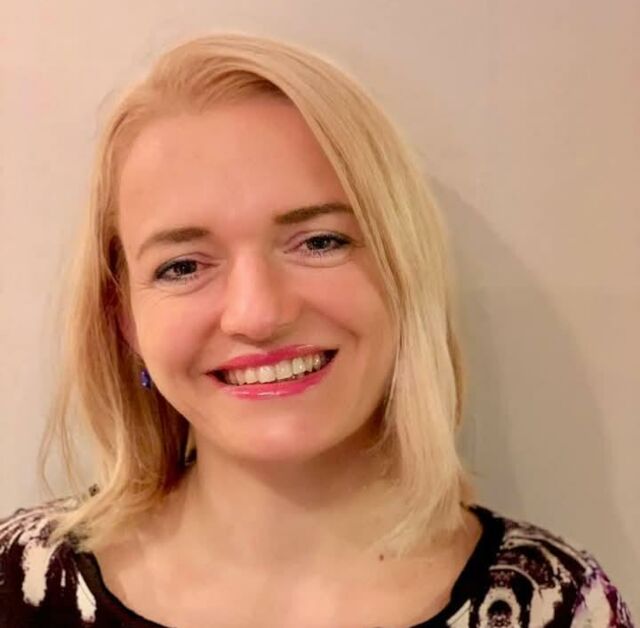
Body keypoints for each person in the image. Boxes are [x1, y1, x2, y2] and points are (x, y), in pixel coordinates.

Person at [0, 34, 633, 628]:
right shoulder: (17, 585)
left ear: (404, 269)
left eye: (320, 241)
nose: (257, 314)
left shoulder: (558, 607)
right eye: (183, 266)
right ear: (125, 320)